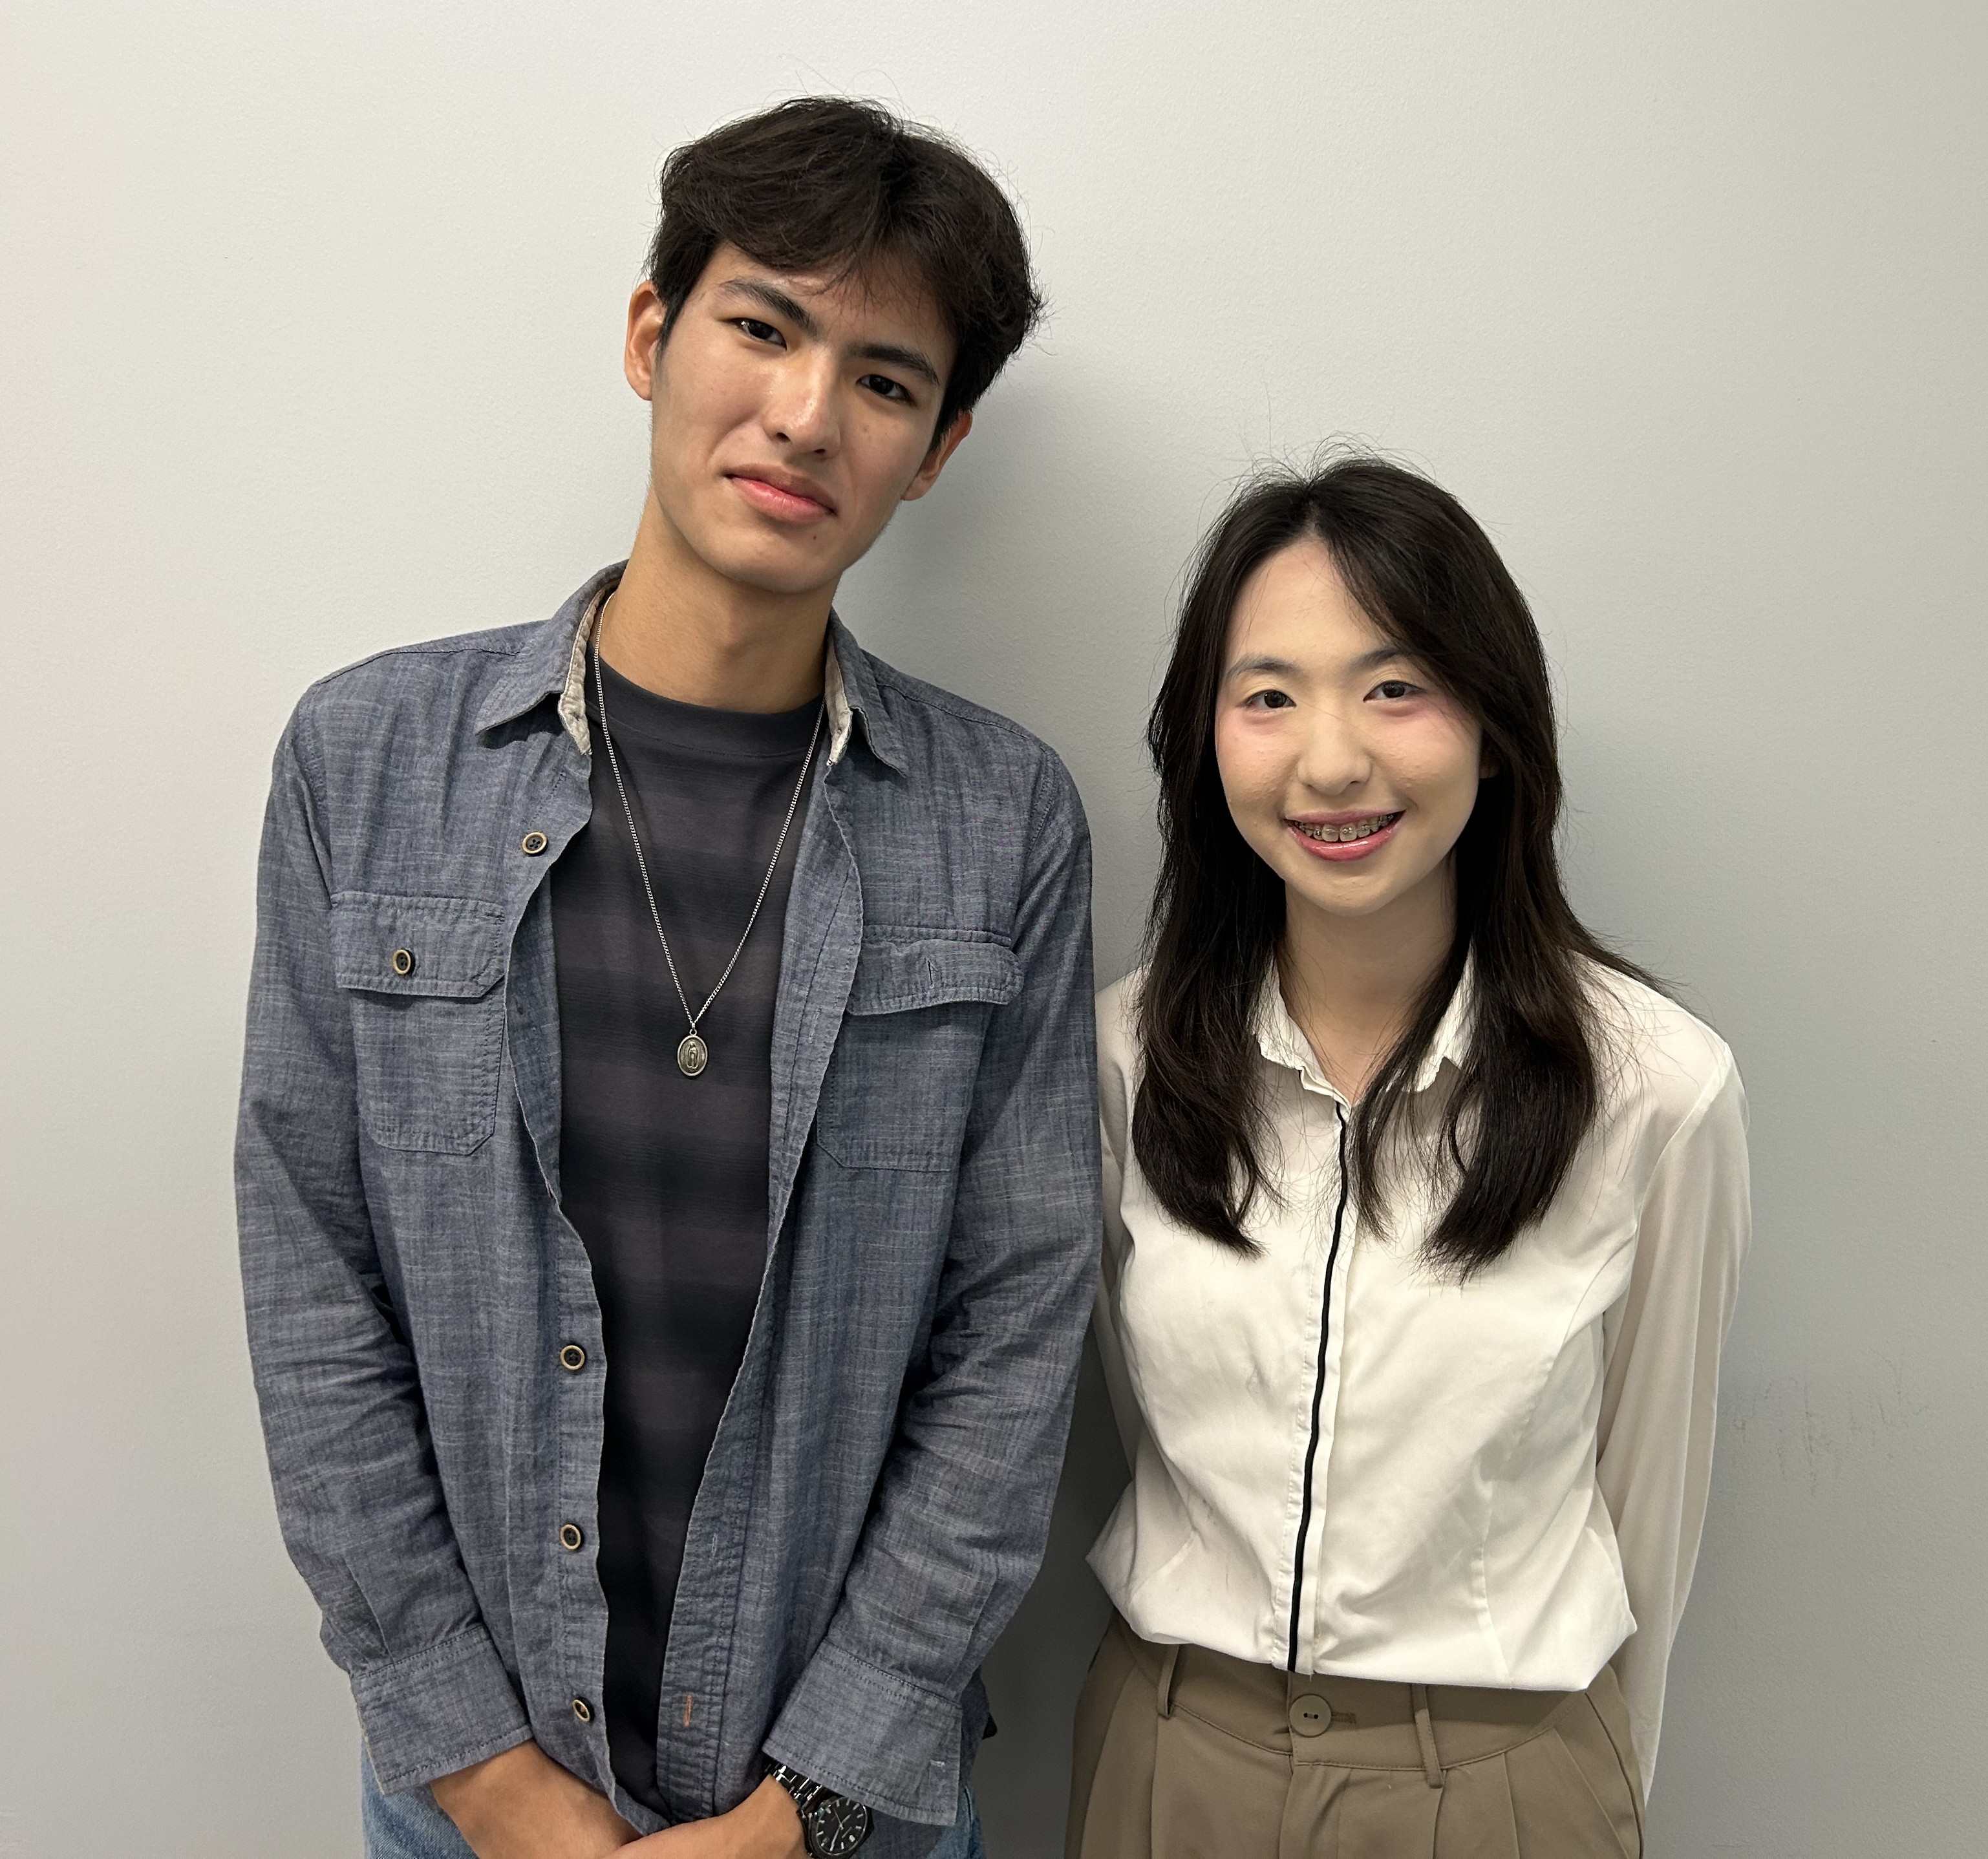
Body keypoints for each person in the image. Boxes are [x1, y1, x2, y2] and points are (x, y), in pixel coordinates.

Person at [237, 97, 1100, 1859]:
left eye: (883, 377)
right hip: (469, 1794)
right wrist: (481, 1771)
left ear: (931, 449)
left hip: (849, 1807)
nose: (803, 414)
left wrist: (810, 1810)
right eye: (762, 325)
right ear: (652, 335)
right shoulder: (371, 760)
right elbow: (311, 1266)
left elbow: (1015, 1336)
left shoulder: (998, 819)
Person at [1069, 457, 1749, 1858]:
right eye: (1267, 696)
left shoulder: (1655, 1091)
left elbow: (1648, 1508)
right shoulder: (1116, 1061)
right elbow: (1144, 1443)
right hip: (1166, 1760)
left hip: (1504, 1785)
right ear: (1205, 740)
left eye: (1395, 688)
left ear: (1494, 730)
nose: (1329, 760)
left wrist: (1583, 1792)